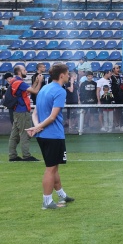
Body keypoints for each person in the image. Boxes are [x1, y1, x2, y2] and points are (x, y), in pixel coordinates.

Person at [25, 64, 74, 209]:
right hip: (53, 135)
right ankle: (47, 201)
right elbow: (52, 117)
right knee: (51, 169)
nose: (69, 76)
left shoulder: (44, 88)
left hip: (43, 135)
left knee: (53, 166)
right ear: (61, 75)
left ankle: (62, 195)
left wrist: (37, 127)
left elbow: (35, 113)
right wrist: (37, 127)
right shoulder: (60, 91)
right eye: (67, 73)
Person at [8, 64, 42, 161]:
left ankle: (12, 155)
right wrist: (40, 81)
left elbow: (28, 91)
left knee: (14, 135)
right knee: (25, 133)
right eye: (24, 70)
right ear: (19, 72)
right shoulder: (20, 83)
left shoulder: (15, 81)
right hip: (22, 111)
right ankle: (26, 155)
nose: (26, 71)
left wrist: (35, 82)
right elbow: (35, 91)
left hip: (16, 111)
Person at [77, 70, 98, 135]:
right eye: (89, 76)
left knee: (92, 113)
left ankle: (91, 125)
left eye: (91, 76)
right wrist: (81, 100)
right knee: (84, 113)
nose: (90, 77)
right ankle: (84, 125)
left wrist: (96, 100)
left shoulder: (95, 83)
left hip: (93, 100)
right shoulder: (83, 83)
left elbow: (96, 92)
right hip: (85, 101)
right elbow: (81, 92)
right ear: (86, 76)